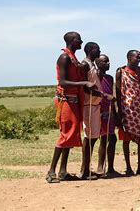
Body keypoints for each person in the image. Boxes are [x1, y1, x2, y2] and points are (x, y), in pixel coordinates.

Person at [46, 31, 95, 183]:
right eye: (79, 39)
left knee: (72, 135)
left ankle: (63, 171)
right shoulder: (65, 57)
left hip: (74, 101)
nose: (81, 41)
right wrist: (83, 83)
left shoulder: (73, 58)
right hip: (66, 101)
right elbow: (63, 82)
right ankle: (51, 172)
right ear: (72, 41)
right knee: (65, 135)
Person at [116, 50, 140, 176]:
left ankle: (139, 167)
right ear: (128, 58)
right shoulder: (121, 71)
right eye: (136, 58)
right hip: (127, 108)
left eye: (139, 58)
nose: (138, 60)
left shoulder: (139, 71)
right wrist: (119, 111)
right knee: (126, 138)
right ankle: (128, 167)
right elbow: (118, 92)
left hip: (139, 108)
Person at [79, 42, 105, 180]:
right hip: (88, 104)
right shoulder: (85, 65)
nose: (99, 51)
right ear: (90, 50)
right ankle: (84, 170)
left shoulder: (92, 64)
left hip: (95, 105)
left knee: (94, 137)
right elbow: (84, 85)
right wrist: (99, 94)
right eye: (97, 49)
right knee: (89, 137)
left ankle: (87, 168)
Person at [95, 54, 122, 178]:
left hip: (110, 111)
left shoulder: (110, 78)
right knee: (104, 139)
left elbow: (113, 96)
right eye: (105, 61)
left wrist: (116, 114)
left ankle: (110, 167)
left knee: (112, 139)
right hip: (98, 111)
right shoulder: (95, 77)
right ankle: (100, 167)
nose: (108, 63)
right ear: (98, 63)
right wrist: (106, 96)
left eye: (108, 61)